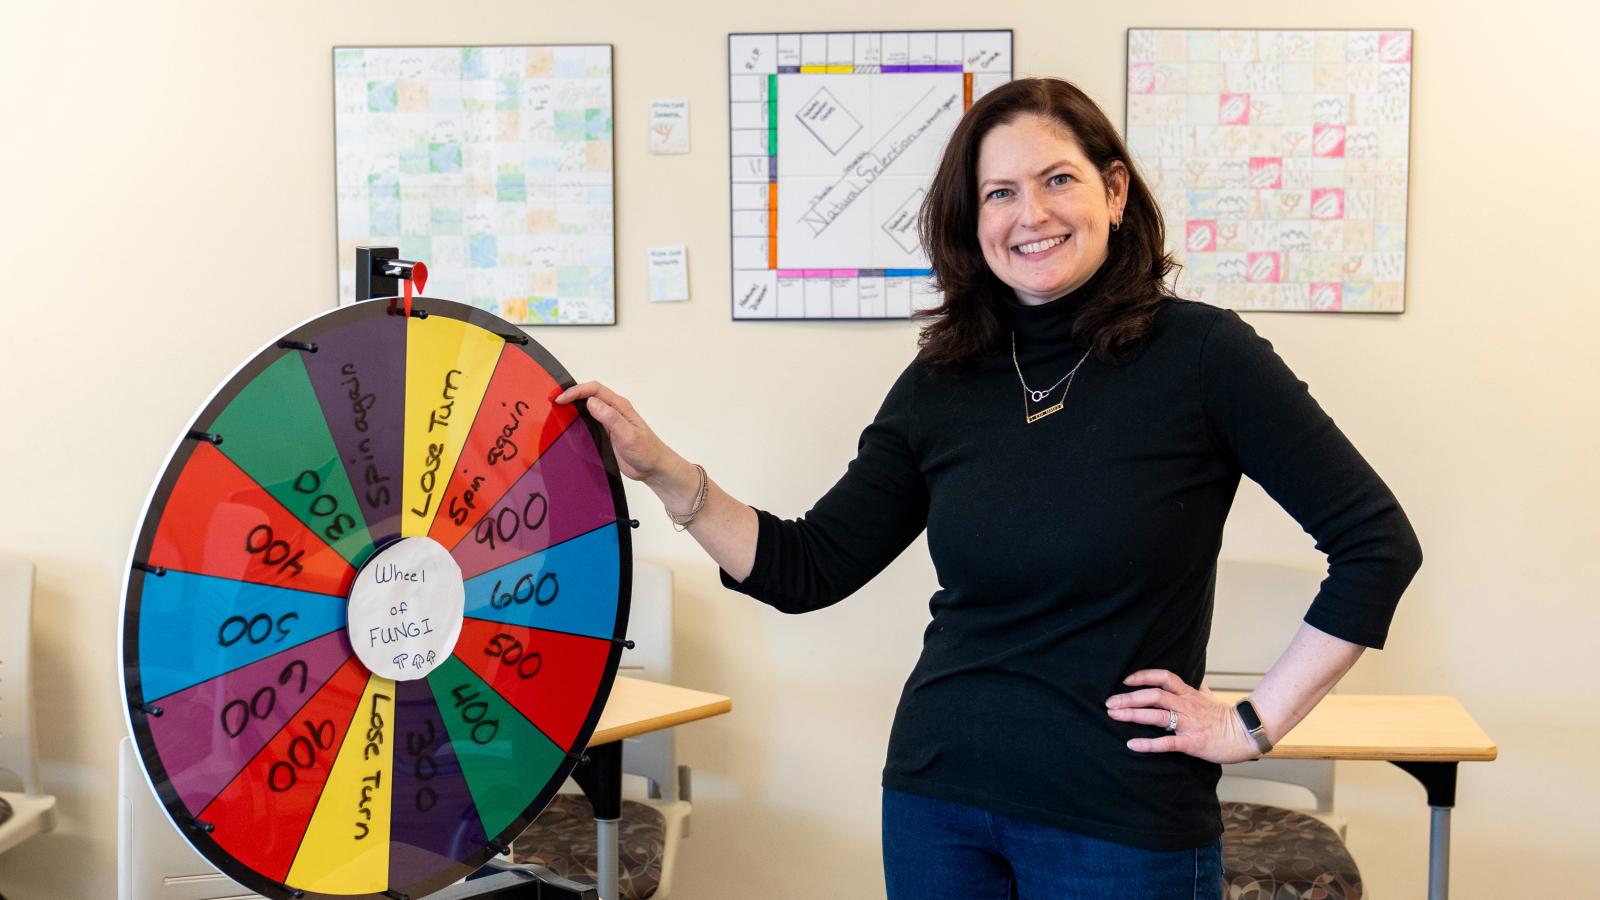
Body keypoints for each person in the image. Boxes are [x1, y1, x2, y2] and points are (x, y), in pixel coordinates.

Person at [556, 77, 1422, 899]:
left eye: (1057, 180)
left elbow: (1377, 545)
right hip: (940, 804)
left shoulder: (1203, 358)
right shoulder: (947, 379)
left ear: (1115, 191)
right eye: (1000, 193)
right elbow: (808, 567)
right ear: (973, 221)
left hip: (1120, 823)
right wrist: (664, 470)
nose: (1031, 213)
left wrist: (1251, 725)